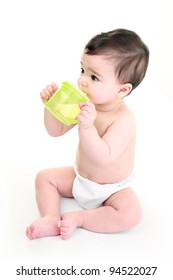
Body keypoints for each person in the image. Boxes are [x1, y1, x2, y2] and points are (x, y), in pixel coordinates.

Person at [26, 28, 149, 240]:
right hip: (80, 178)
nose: (82, 80)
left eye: (94, 77)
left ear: (122, 90)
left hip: (111, 190)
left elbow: (103, 157)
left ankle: (80, 218)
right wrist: (50, 107)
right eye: (83, 70)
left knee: (131, 214)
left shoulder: (124, 120)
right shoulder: (86, 103)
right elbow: (56, 131)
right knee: (44, 177)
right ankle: (50, 217)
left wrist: (87, 127)